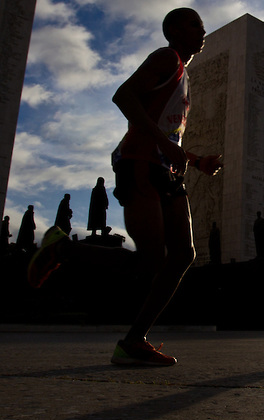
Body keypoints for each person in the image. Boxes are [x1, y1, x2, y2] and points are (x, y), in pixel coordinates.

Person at [26, 7, 222, 366]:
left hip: (165, 168)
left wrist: (194, 160)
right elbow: (124, 96)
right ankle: (63, 249)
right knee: (151, 260)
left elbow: (167, 133)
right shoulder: (167, 58)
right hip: (140, 162)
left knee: (182, 254)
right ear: (175, 30)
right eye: (194, 23)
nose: (203, 28)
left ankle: (135, 340)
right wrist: (165, 147)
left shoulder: (184, 77)